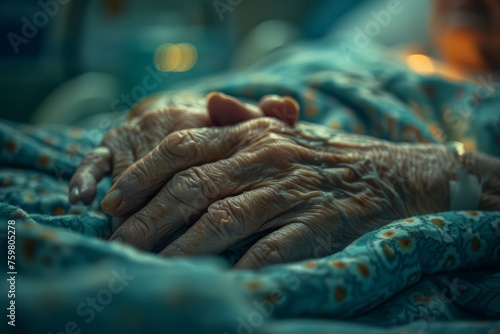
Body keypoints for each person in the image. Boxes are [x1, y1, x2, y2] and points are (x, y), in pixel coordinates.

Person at [67, 0, 500, 269]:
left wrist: (413, 174)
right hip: (107, 180)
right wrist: (175, 115)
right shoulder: (350, 54)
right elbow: (235, 93)